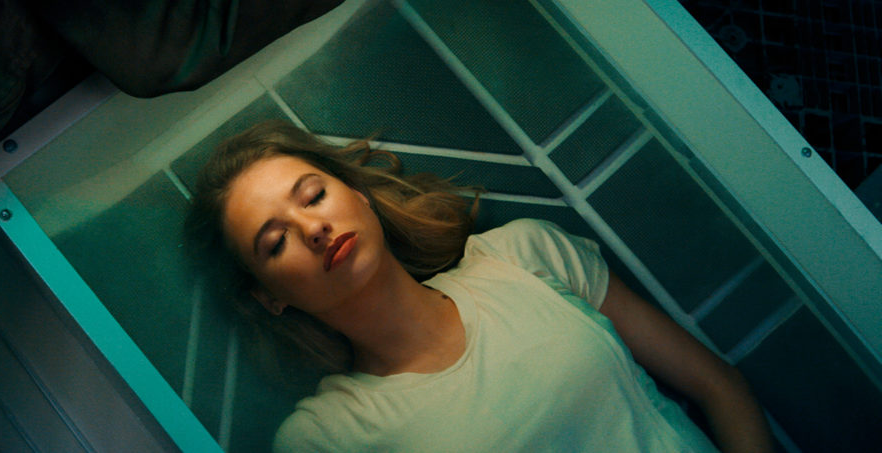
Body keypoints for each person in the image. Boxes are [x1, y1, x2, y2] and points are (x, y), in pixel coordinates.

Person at [186, 121, 774, 452]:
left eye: (314, 195)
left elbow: (719, 386)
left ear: (358, 195)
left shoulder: (522, 255)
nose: (313, 228)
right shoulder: (326, 436)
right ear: (269, 295)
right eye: (275, 242)